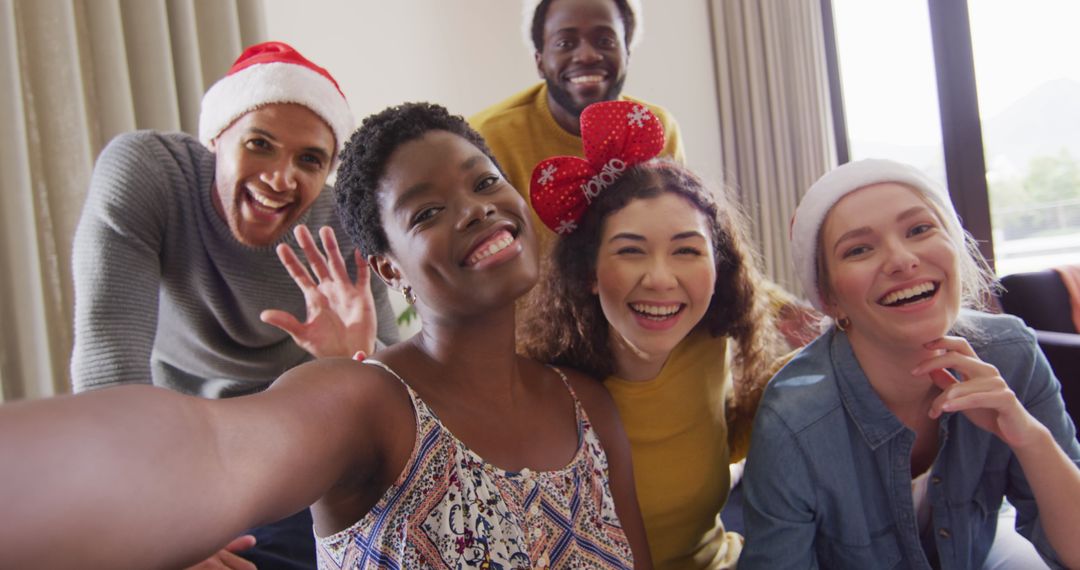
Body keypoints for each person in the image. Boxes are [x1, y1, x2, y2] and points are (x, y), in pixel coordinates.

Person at [0, 102, 652, 570]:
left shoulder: (585, 405)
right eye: (427, 210)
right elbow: (213, 451)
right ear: (387, 265)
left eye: (485, 182)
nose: (477, 207)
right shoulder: (362, 401)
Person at [69, 41, 399, 568]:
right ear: (217, 138)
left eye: (309, 159)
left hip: (299, 447)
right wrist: (152, 526)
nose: (281, 177)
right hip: (179, 444)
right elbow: (109, 361)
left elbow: (399, 390)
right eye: (260, 143)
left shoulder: (340, 222)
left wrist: (359, 356)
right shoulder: (150, 174)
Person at [740, 159, 1080, 569]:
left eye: (919, 229)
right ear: (830, 301)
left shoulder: (1010, 353)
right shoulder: (794, 419)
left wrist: (1027, 435)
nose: (902, 260)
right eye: (859, 249)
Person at [520, 101, 784, 569]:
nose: (661, 279)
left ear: (717, 266)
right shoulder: (545, 385)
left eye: (687, 250)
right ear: (589, 273)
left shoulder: (714, 337)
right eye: (631, 251)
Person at [469, 0, 684, 251]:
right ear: (539, 61)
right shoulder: (487, 138)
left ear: (628, 53)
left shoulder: (655, 129)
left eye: (605, 40)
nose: (587, 55)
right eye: (565, 43)